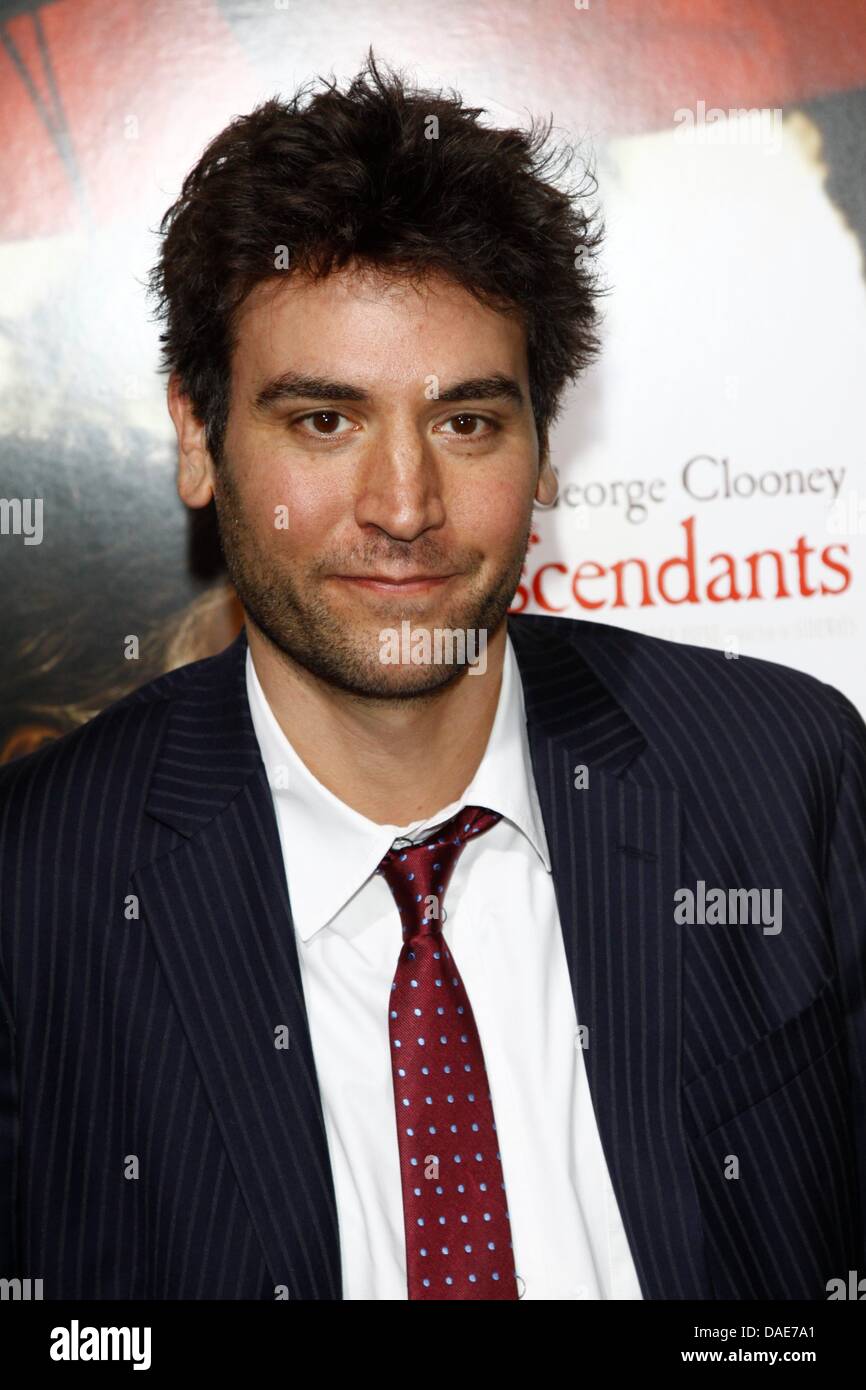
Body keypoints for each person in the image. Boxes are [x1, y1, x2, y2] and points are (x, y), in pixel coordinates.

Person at [1, 51, 864, 1303]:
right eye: (323, 421)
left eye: (466, 421)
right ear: (198, 438)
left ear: (542, 447)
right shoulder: (39, 891)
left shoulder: (781, 775)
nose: (403, 508)